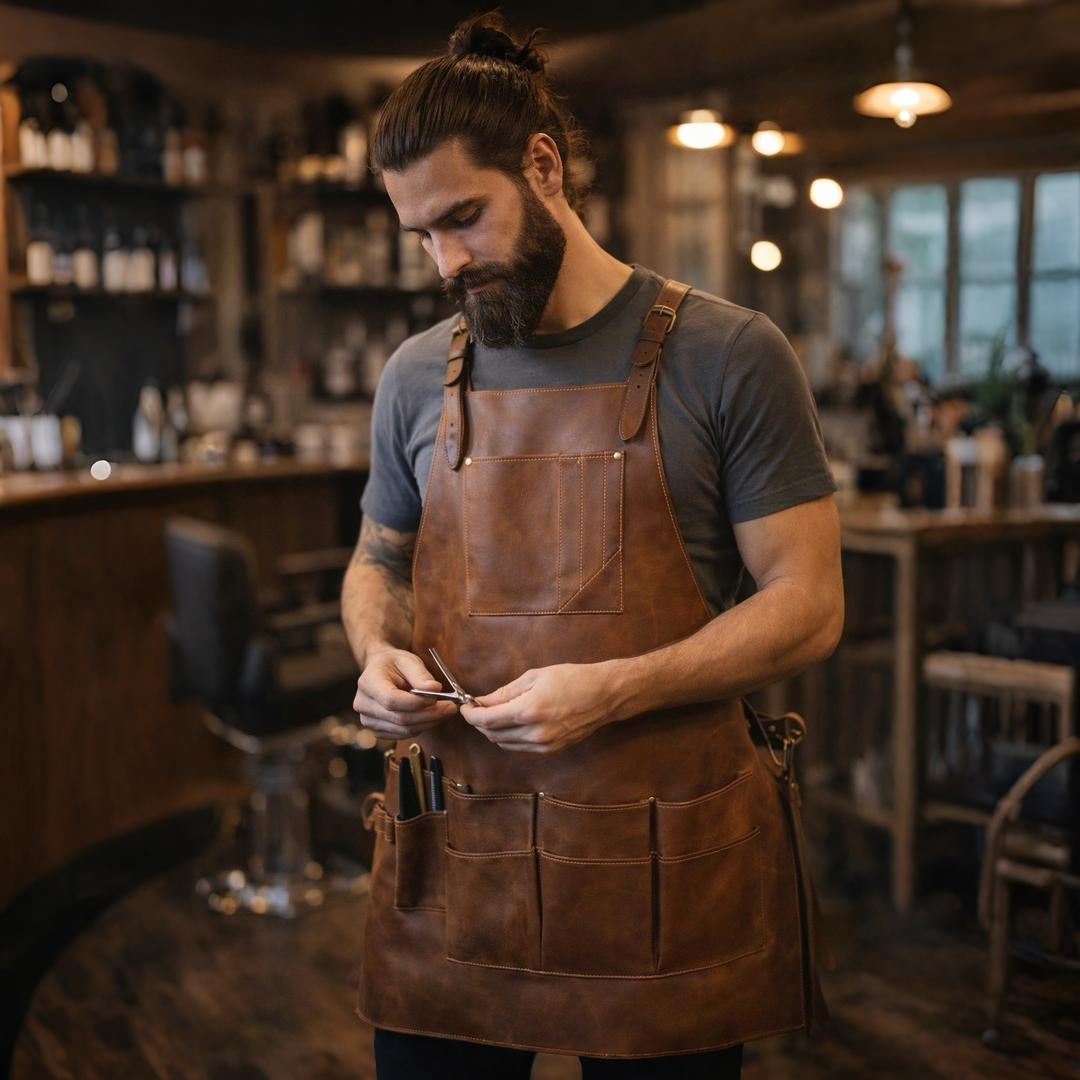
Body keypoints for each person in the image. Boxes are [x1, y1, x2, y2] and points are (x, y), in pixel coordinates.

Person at [342, 13, 843, 1080]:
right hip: (458, 860)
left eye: (464, 217)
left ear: (543, 165)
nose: (447, 262)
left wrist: (613, 689)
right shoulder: (415, 375)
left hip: (662, 874)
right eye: (422, 235)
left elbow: (808, 604)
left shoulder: (731, 355)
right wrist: (375, 652)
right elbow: (378, 559)